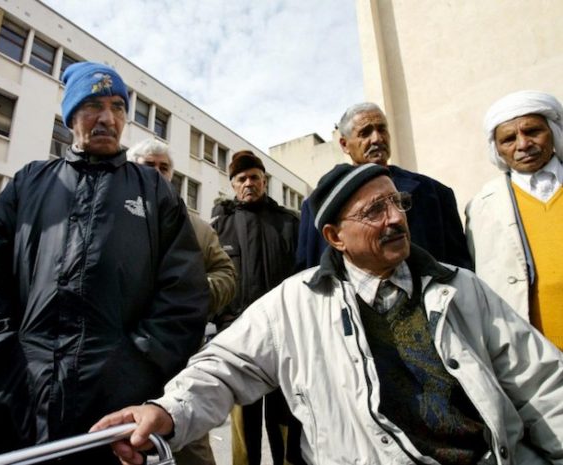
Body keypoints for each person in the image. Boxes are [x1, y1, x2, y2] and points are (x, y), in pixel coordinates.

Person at [94, 163, 563, 465]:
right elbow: (223, 367)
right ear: (336, 237)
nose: (395, 218)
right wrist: (167, 410)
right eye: (375, 210)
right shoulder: (294, 304)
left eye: (397, 203)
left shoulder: (461, 288)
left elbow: (543, 385)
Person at [0, 62, 208, 461]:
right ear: (70, 115)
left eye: (117, 107)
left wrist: (137, 365)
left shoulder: (153, 191)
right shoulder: (30, 183)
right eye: (93, 105)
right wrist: (1, 358)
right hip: (23, 399)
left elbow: (184, 290)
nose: (108, 118)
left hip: (115, 408)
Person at [128, 138, 236, 465]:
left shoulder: (198, 227)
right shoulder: (111, 215)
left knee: (191, 446)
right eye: (149, 166)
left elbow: (226, 274)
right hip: (122, 354)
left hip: (179, 357)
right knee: (125, 441)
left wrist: (191, 294)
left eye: (164, 168)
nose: (158, 173)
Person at [297, 102, 472, 271]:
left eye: (382, 129)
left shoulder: (434, 193)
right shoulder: (317, 207)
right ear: (344, 144)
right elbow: (310, 271)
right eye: (365, 133)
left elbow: (460, 267)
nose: (377, 139)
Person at [210, 150, 301, 465]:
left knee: (285, 419)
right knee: (243, 423)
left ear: (264, 181)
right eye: (242, 178)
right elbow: (206, 276)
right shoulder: (219, 226)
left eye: (254, 177)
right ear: (233, 184)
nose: (249, 183)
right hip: (239, 341)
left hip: (285, 339)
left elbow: (304, 273)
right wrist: (222, 320)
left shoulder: (289, 223)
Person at [466, 90, 563, 350]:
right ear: (497, 149)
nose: (523, 144)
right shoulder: (482, 207)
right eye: (509, 139)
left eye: (532, 131)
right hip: (537, 359)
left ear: (553, 131)